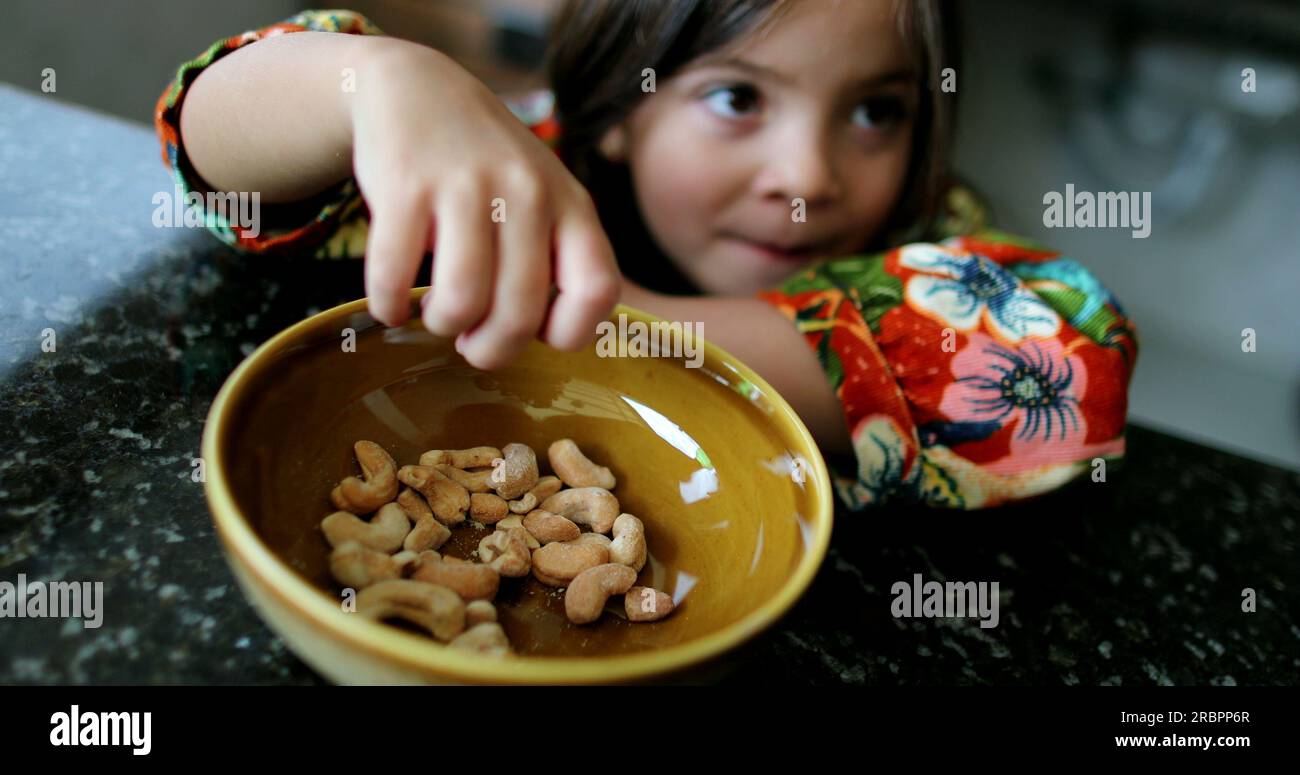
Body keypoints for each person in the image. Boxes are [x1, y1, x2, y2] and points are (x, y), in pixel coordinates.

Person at [155, 2, 1138, 510]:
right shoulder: (519, 186)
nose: (808, 172)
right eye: (738, 99)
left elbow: (1073, 365)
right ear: (620, 110)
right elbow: (211, 152)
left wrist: (611, 314)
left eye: (876, 111)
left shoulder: (931, 248)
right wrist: (371, 85)